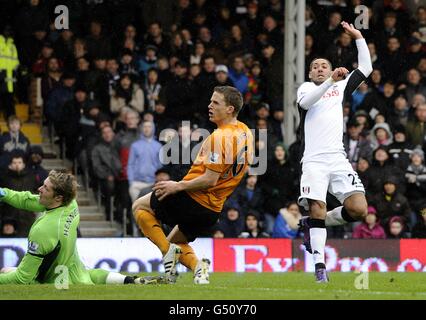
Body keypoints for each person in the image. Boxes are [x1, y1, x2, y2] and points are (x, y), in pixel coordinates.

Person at [132, 86, 253, 285]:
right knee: (175, 241)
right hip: (213, 210)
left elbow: (209, 179)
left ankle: (167, 253)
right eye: (211, 101)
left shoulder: (219, 137)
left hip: (193, 199)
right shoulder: (245, 133)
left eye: (216, 103)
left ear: (230, 109)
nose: (210, 106)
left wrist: (177, 186)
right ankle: (199, 268)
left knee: (139, 206)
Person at [297, 22, 372, 283]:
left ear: (330, 69)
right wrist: (331, 79)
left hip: (338, 159)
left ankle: (312, 224)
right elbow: (307, 103)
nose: (319, 68)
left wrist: (359, 37)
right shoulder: (306, 89)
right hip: (314, 161)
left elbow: (366, 68)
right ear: (310, 73)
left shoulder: (340, 88)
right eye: (315, 66)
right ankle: (320, 267)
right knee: (318, 205)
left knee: (359, 209)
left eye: (324, 66)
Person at [0, 170, 147, 285]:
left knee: (6, 270)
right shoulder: (71, 204)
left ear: (58, 198)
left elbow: (23, 278)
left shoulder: (43, 230)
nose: (39, 189)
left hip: (54, 283)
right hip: (74, 271)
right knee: (89, 273)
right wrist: (4, 193)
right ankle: (129, 280)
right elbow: (28, 200)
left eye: (45, 188)